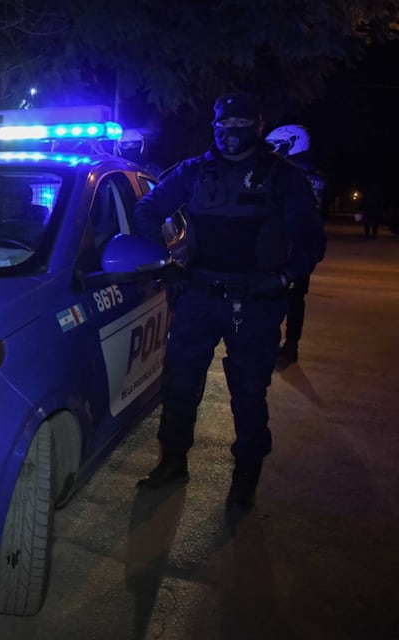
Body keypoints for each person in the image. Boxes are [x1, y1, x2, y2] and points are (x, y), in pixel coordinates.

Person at [131, 92, 325, 511]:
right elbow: (147, 210)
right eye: (223, 125)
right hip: (198, 294)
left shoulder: (283, 177)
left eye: (240, 125)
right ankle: (173, 461)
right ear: (214, 126)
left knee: (249, 393)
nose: (230, 133)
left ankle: (245, 478)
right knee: (179, 385)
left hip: (256, 302)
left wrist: (284, 278)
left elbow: (311, 240)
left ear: (258, 126)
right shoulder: (193, 171)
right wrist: (166, 263)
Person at [265, 124, 328, 367]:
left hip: (289, 245)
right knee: (294, 299)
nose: (272, 151)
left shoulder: (295, 174)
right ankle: (289, 345)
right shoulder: (311, 173)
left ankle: (284, 346)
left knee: (284, 298)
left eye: (276, 146)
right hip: (299, 246)